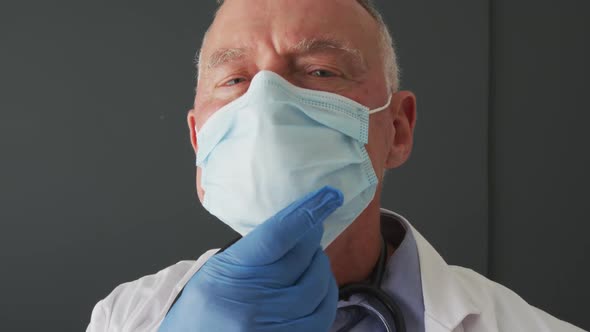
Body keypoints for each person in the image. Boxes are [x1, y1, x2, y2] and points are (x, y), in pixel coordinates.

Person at [87, 0, 585, 331]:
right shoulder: (127, 317)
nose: (267, 104)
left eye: (320, 71)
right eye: (235, 80)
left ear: (397, 128)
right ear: (199, 139)